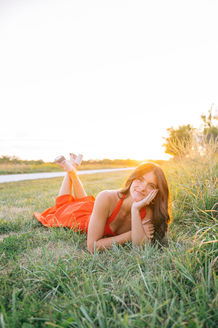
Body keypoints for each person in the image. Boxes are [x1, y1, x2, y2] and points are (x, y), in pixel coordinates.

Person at [34, 154, 171, 253]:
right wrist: (131, 234)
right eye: (140, 180)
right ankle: (71, 171)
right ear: (132, 178)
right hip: (81, 218)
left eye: (151, 186)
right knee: (63, 206)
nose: (142, 188)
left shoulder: (147, 213)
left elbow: (140, 248)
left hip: (94, 211)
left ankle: (73, 168)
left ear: (156, 193)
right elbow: (92, 247)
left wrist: (135, 209)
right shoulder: (107, 197)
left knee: (84, 201)